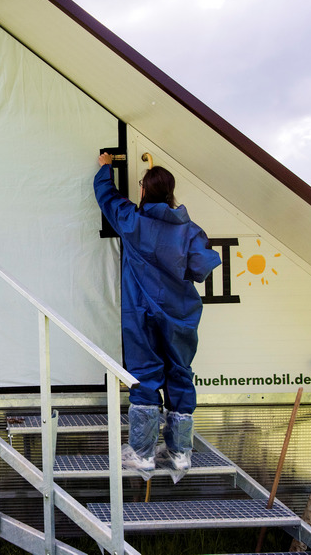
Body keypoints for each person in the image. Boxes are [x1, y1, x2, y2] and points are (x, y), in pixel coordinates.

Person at [94, 152, 220, 481]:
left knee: (145, 375)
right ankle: (180, 455)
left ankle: (142, 455)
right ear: (171, 192)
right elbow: (202, 268)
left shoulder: (133, 223)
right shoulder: (189, 230)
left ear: (144, 191)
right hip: (181, 313)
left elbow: (107, 198)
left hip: (143, 312)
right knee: (180, 373)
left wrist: (106, 168)